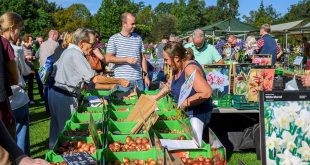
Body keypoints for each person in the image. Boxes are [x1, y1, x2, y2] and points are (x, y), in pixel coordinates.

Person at [48, 28, 97, 149]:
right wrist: (117, 81)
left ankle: (53, 154)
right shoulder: (76, 53)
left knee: (56, 133)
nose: (93, 48)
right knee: (67, 135)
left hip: (56, 92)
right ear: (82, 43)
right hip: (64, 96)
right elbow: (93, 78)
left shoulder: (69, 50)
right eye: (92, 44)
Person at [153, 42, 213, 126]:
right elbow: (170, 84)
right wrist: (156, 97)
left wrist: (184, 103)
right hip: (185, 113)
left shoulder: (190, 69)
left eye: (166, 59)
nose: (165, 62)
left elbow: (206, 92)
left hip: (196, 116)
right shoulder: (177, 66)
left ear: (176, 58)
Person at [106, 12, 150, 92]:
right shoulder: (114, 39)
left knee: (140, 104)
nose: (134, 26)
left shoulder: (138, 38)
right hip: (122, 81)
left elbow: (142, 58)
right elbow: (108, 58)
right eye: (132, 24)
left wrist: (146, 76)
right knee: (124, 104)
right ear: (124, 24)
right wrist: (126, 59)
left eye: (135, 23)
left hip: (138, 80)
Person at [8, 27, 32, 156]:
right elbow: (25, 71)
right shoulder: (16, 50)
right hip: (17, 97)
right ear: (12, 28)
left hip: (6, 99)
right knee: (21, 135)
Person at [0, 12, 20, 137]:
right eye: (20, 28)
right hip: (3, 109)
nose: (20, 32)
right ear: (12, 28)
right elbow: (15, 78)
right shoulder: (5, 43)